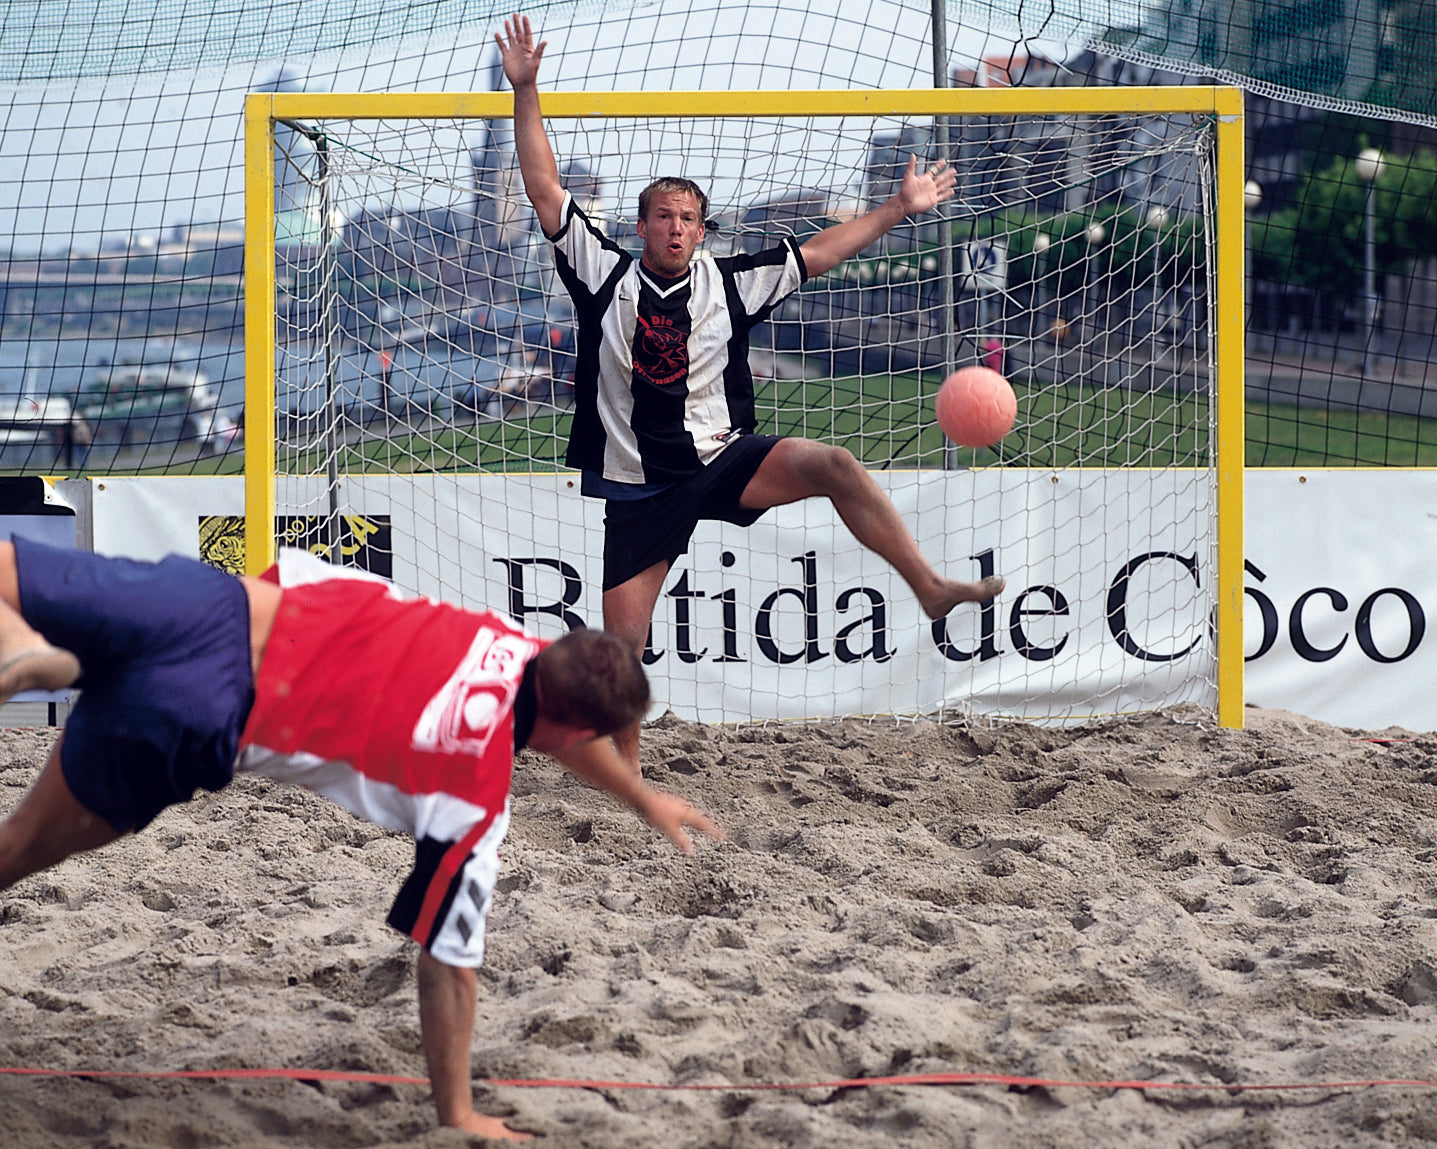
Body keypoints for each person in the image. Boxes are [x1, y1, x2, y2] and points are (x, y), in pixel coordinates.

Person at [0, 538, 720, 1142]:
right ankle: (33, 658)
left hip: (203, 603)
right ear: (576, 728)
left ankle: (23, 645)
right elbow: (448, 968)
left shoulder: (504, 636)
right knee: (17, 848)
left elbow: (557, 711)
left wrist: (639, 795)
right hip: (193, 710)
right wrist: (458, 1113)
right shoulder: (469, 799)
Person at [496, 16, 1005, 771]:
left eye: (687, 219)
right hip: (637, 487)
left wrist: (899, 208)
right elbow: (544, 188)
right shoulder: (602, 273)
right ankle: (628, 773)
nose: (675, 228)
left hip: (721, 460)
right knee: (620, 653)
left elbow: (821, 251)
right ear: (640, 226)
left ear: (702, 231)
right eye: (663, 216)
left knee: (833, 463)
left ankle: (929, 586)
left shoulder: (732, 282)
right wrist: (527, 88)